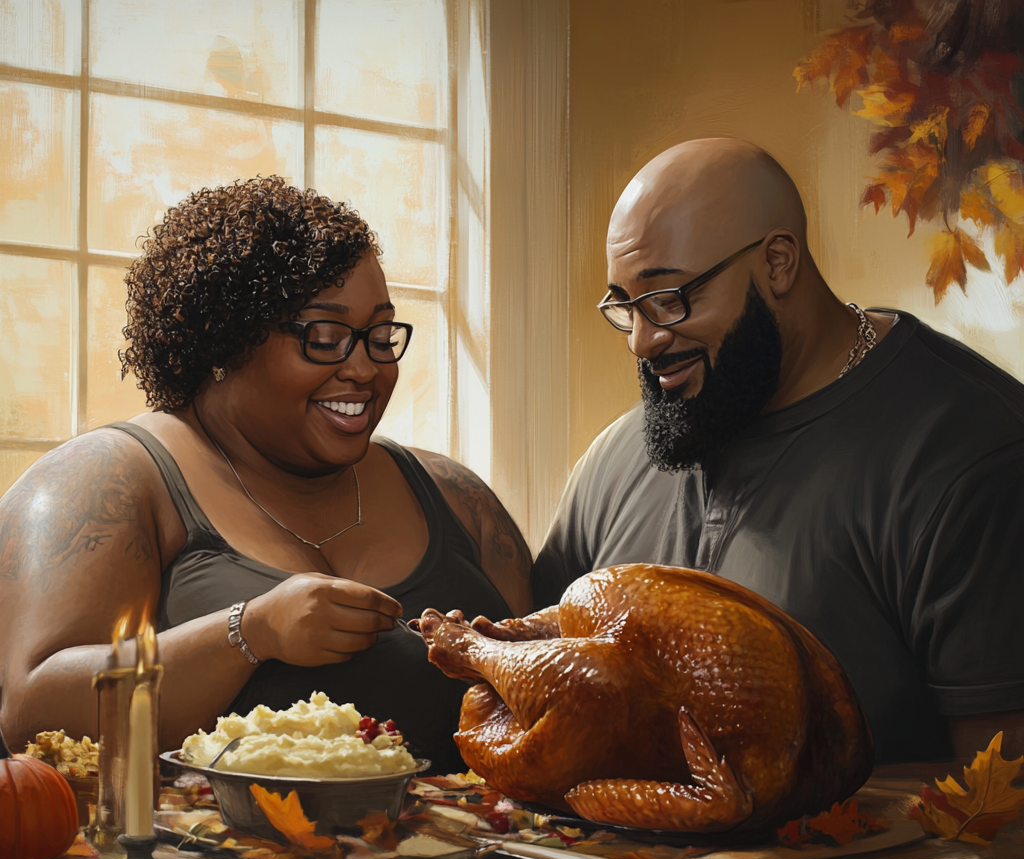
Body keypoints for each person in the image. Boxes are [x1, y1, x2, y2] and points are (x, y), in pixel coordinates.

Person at [0, 176, 531, 773]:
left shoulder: (456, 497)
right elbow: (31, 712)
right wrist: (249, 633)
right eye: (324, 338)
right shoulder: (104, 481)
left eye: (380, 337)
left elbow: (563, 698)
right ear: (222, 341)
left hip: (479, 853)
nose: (364, 368)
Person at [533, 138, 1024, 765]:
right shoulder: (616, 460)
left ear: (778, 263)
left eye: (669, 299)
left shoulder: (969, 458)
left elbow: (999, 823)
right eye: (626, 307)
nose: (642, 340)